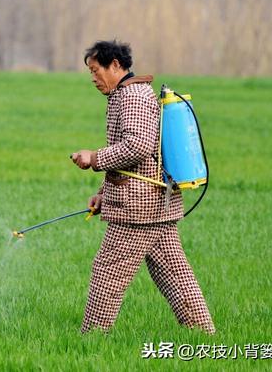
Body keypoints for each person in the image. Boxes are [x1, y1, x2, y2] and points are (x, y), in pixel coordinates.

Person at [71, 40, 215, 334]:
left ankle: (91, 338)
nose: (93, 79)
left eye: (96, 71)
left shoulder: (133, 96)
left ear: (115, 65)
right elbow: (133, 158)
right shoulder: (127, 94)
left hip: (139, 208)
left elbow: (138, 146)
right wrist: (103, 194)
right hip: (155, 203)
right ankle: (203, 334)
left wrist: (94, 157)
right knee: (173, 273)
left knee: (107, 271)